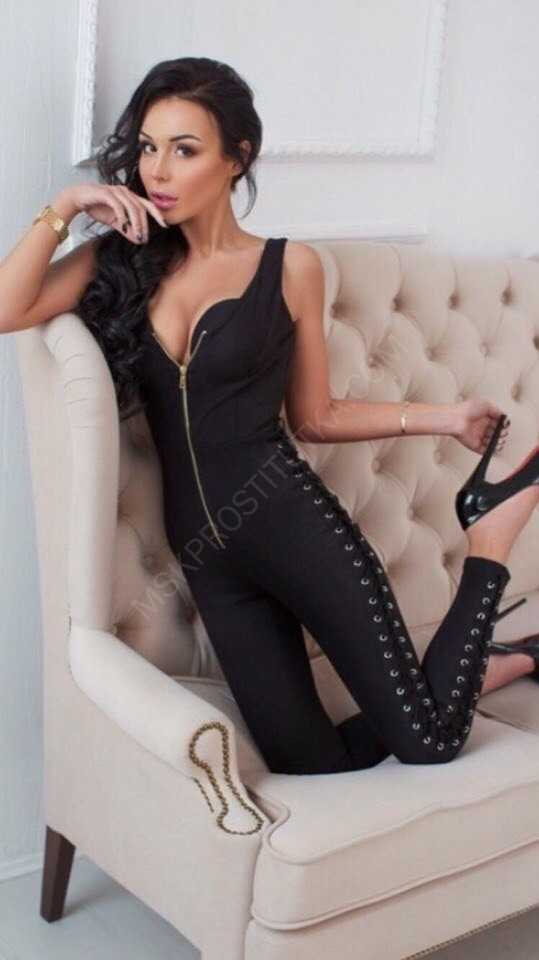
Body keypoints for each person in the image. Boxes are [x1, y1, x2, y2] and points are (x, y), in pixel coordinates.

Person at [1, 56, 538, 775]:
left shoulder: (289, 268)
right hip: (207, 553)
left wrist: (446, 418)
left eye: (184, 150)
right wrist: (66, 205)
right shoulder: (121, 260)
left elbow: (315, 416)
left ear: (237, 158)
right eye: (149, 148)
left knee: (428, 742)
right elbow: (7, 307)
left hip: (293, 526)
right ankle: (494, 665)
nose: (157, 171)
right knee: (304, 759)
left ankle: (491, 540)